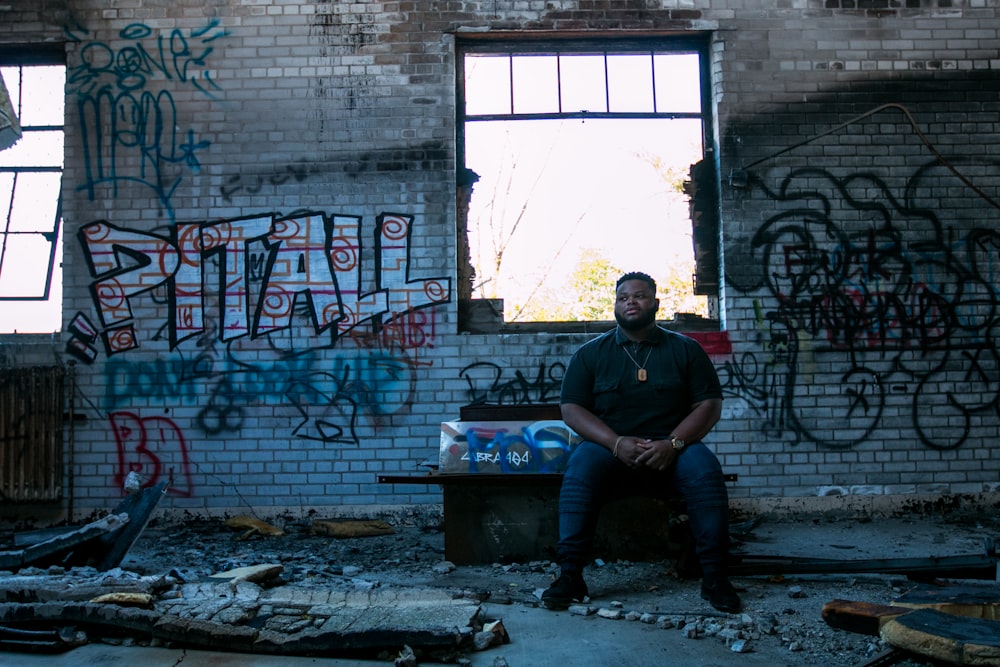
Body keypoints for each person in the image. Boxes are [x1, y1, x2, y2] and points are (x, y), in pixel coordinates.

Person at [541, 271, 741, 614]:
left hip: (674, 450)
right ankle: (570, 576)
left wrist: (674, 444)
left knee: (706, 471)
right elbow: (572, 410)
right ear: (615, 306)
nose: (630, 302)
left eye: (639, 296)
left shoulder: (686, 350)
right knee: (580, 468)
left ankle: (715, 577)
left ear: (656, 303)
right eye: (623, 297)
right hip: (609, 451)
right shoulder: (591, 354)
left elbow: (708, 406)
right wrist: (616, 443)